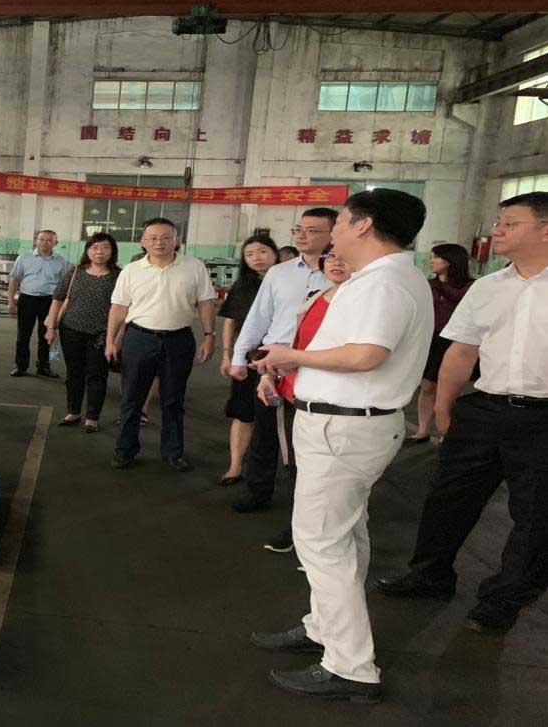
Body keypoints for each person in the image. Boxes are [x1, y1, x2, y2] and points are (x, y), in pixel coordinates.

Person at [249, 189, 431, 704]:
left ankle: (350, 667)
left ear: (364, 225)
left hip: (345, 427)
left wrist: (293, 355)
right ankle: (324, 628)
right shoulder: (381, 279)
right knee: (345, 535)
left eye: (342, 221)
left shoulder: (383, 283)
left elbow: (366, 354)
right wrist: (294, 361)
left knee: (322, 543)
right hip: (347, 424)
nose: (334, 232)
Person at [372, 192, 548, 635]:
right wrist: (445, 409)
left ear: (545, 230)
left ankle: (503, 600)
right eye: (499, 221)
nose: (497, 230)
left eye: (509, 223)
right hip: (483, 410)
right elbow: (462, 351)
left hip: (542, 419)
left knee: (535, 517)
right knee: (448, 499)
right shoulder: (487, 287)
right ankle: (430, 575)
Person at [228, 208, 338, 516]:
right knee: (264, 434)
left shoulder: (342, 274)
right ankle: (257, 491)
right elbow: (258, 317)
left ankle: (300, 511)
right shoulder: (280, 272)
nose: (302, 235)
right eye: (298, 230)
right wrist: (239, 357)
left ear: (334, 234)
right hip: (272, 366)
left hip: (316, 367)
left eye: (312, 231)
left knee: (302, 442)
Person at [105, 218, 217, 471]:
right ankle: (125, 451)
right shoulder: (131, 270)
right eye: (153, 238)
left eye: (166, 237)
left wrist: (209, 335)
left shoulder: (194, 266)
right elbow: (119, 307)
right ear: (143, 241)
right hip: (138, 339)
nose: (159, 242)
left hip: (179, 340)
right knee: (131, 399)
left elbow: (205, 302)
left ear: (176, 240)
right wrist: (111, 340)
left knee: (173, 399)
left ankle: (173, 453)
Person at [216, 235, 280, 485]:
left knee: (276, 415)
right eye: (250, 254)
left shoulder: (288, 283)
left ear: (274, 253)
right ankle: (235, 465)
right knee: (244, 412)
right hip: (248, 360)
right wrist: (228, 355)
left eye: (262, 251)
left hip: (282, 361)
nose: (257, 258)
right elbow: (231, 322)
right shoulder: (242, 287)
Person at [45, 232, 121, 433]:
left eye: (105, 247)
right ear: (87, 251)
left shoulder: (119, 276)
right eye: (95, 247)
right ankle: (73, 412)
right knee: (74, 373)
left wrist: (116, 337)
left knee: (97, 375)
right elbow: (57, 298)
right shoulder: (75, 272)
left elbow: (124, 307)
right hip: (71, 330)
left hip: (101, 334)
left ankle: (92, 418)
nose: (99, 251)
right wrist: (51, 328)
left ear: (112, 251)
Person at [405, 243, 476, 443]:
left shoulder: (470, 287)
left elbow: (461, 302)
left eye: (436, 257)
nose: (431, 261)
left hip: (456, 341)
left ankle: (447, 432)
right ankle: (422, 430)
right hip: (432, 338)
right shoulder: (428, 284)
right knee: (427, 386)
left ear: (450, 261)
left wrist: (440, 288)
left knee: (450, 389)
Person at [8, 230, 70, 378]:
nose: (44, 243)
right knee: (23, 335)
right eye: (41, 239)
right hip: (27, 300)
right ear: (36, 241)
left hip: (50, 302)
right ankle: (21, 366)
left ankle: (44, 366)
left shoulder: (62, 261)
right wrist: (11, 301)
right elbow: (14, 279)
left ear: (55, 243)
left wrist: (62, 307)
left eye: (49, 240)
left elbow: (66, 285)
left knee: (48, 335)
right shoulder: (24, 258)